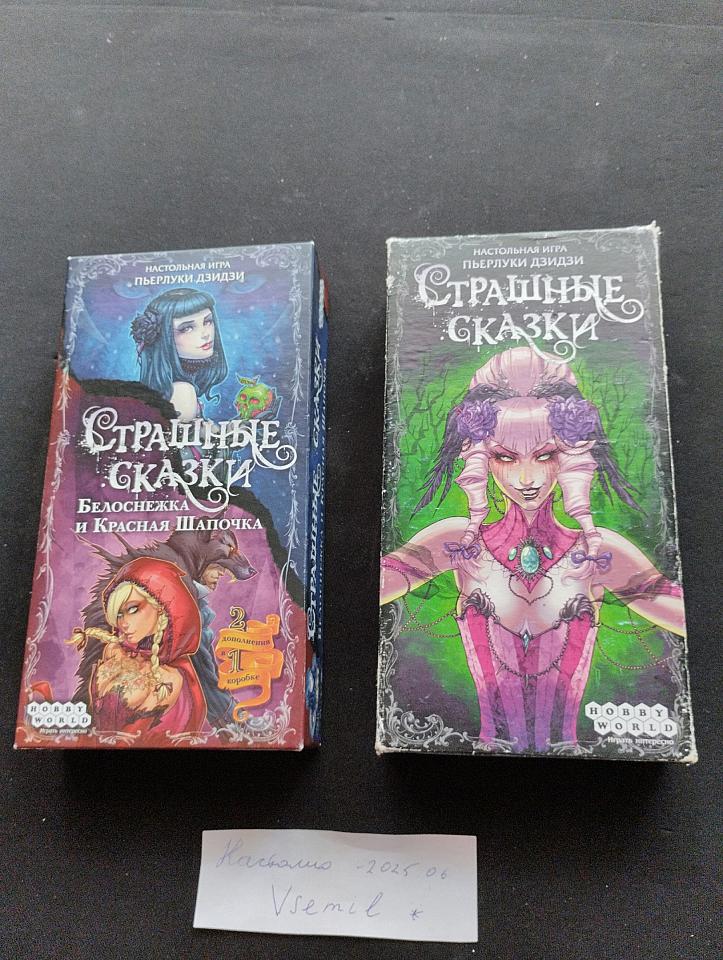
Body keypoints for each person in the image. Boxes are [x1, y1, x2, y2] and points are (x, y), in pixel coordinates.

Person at [380, 346, 686, 752]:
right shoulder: (456, 542)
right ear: (482, 458)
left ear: (571, 455)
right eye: (505, 457)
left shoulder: (598, 552)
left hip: (580, 772)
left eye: (545, 455)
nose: (527, 477)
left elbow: (683, 617)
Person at [69, 557, 206, 740]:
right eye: (119, 614)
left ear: (161, 607)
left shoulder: (172, 675)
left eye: (133, 609)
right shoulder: (114, 651)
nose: (123, 623)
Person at [130, 287, 228, 421]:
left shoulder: (173, 388)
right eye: (187, 328)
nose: (205, 334)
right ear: (164, 338)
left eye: (207, 321)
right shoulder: (182, 390)